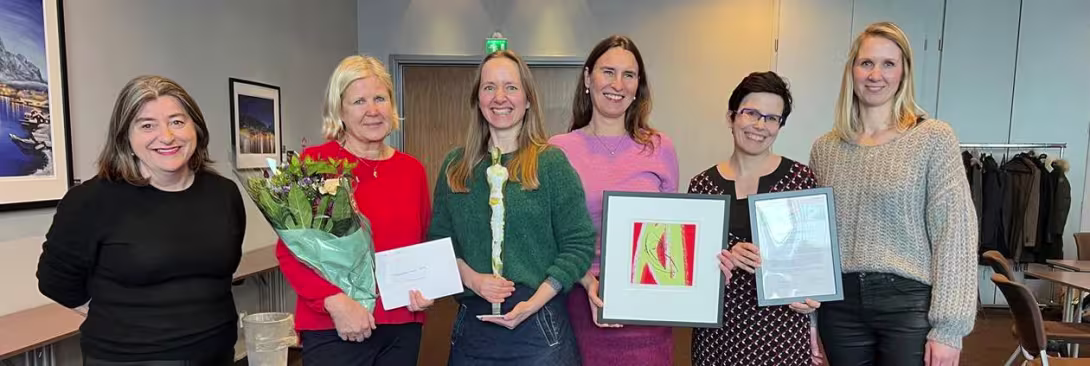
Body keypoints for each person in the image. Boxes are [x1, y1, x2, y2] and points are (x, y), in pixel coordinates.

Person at [36, 75, 245, 365]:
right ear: (125, 137)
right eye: (147, 125)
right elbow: (55, 281)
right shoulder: (91, 200)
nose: (167, 136)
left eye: (177, 121)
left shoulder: (224, 193)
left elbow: (226, 268)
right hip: (128, 358)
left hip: (217, 353)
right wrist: (120, 316)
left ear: (196, 126)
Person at [809, 21, 977, 366]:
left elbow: (955, 233)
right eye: (866, 63)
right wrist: (810, 320)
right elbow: (815, 241)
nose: (876, 75)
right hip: (839, 308)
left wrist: (949, 329)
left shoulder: (933, 138)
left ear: (904, 73)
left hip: (908, 306)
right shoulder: (825, 149)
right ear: (852, 70)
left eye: (889, 64)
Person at [429, 50, 596, 365]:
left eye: (511, 87)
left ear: (528, 99)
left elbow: (579, 244)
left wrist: (533, 303)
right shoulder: (455, 167)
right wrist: (473, 279)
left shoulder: (550, 164)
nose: (499, 97)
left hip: (539, 327)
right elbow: (440, 241)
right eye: (489, 87)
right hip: (474, 331)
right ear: (478, 99)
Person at [275, 55, 433, 365]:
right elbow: (290, 252)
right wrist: (335, 303)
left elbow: (421, 243)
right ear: (340, 110)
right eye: (359, 101)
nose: (373, 110)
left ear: (392, 105)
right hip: (334, 325)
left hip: (401, 325)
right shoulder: (315, 165)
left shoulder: (411, 170)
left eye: (380, 98)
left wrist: (426, 287)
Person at [548, 34, 680, 365]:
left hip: (647, 303)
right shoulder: (557, 150)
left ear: (638, 87)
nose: (617, 84)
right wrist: (587, 280)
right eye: (608, 72)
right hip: (580, 299)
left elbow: (671, 231)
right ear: (588, 78)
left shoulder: (661, 147)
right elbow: (549, 235)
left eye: (629, 75)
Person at [687, 71, 823, 366]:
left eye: (772, 118)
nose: (760, 126)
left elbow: (812, 260)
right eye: (751, 113)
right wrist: (725, 256)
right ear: (731, 116)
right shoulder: (701, 186)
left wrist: (812, 311)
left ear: (780, 125)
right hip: (718, 334)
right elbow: (689, 268)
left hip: (781, 332)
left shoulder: (800, 179)